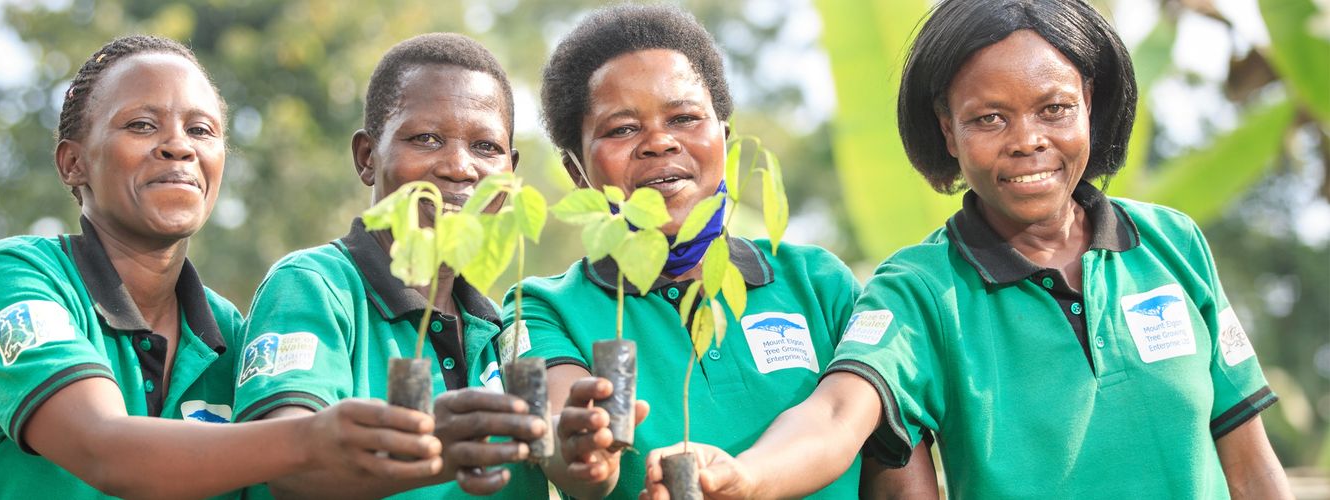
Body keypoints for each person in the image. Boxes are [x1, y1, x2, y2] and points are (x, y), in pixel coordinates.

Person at [640, 1, 1292, 498]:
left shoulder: (1172, 243)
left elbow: (1250, 461)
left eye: (1055, 108)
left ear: (1090, 104)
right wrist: (745, 475)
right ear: (947, 131)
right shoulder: (919, 289)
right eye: (989, 118)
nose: (1027, 139)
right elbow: (839, 412)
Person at [0, 35, 418, 499]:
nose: (179, 146)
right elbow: (103, 448)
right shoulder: (17, 277)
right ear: (73, 163)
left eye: (201, 129)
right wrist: (313, 437)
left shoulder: (232, 339)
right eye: (141, 125)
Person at [501, 5, 929, 499]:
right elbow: (556, 429)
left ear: (723, 140)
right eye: (622, 129)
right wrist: (578, 445)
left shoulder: (819, 284)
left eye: (684, 117)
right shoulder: (540, 308)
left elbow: (889, 464)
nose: (659, 142)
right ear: (576, 171)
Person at [231, 32, 548, 499]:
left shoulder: (504, 330)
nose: (460, 167)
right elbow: (291, 468)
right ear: (366, 157)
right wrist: (442, 452)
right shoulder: (314, 288)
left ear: (511, 171)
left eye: (486, 147)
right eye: (425, 138)